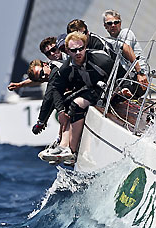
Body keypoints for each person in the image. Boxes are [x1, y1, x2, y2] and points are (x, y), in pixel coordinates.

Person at [44, 31, 115, 161]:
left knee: (77, 104)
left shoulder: (101, 60)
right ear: (67, 51)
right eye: (73, 50)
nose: (78, 53)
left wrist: (125, 89)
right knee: (65, 104)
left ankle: (72, 150)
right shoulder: (66, 68)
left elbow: (120, 74)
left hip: (109, 91)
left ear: (85, 47)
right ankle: (63, 145)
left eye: (81, 49)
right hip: (92, 90)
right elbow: (56, 90)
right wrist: (60, 112)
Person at [102, 9, 148, 88]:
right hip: (123, 79)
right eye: (109, 23)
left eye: (116, 22)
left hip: (139, 76)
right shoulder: (108, 41)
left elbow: (125, 50)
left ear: (120, 23)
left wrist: (140, 73)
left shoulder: (126, 33)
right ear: (105, 26)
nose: (113, 25)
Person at [27, 59, 63, 135]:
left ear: (45, 64)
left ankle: (64, 142)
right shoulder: (53, 71)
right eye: (40, 78)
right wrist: (43, 121)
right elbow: (50, 100)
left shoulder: (55, 70)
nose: (44, 77)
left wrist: (41, 122)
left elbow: (48, 98)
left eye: (42, 73)